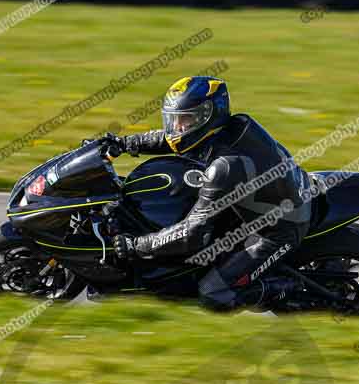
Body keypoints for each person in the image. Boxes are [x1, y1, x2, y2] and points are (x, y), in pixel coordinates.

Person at [109, 76, 312, 311]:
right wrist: (123, 144)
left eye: (186, 120)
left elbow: (191, 235)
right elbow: (174, 140)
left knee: (214, 294)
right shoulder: (229, 126)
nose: (178, 129)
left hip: (278, 230)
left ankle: (286, 288)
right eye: (175, 120)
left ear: (208, 115)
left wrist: (137, 245)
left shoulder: (224, 167)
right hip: (266, 201)